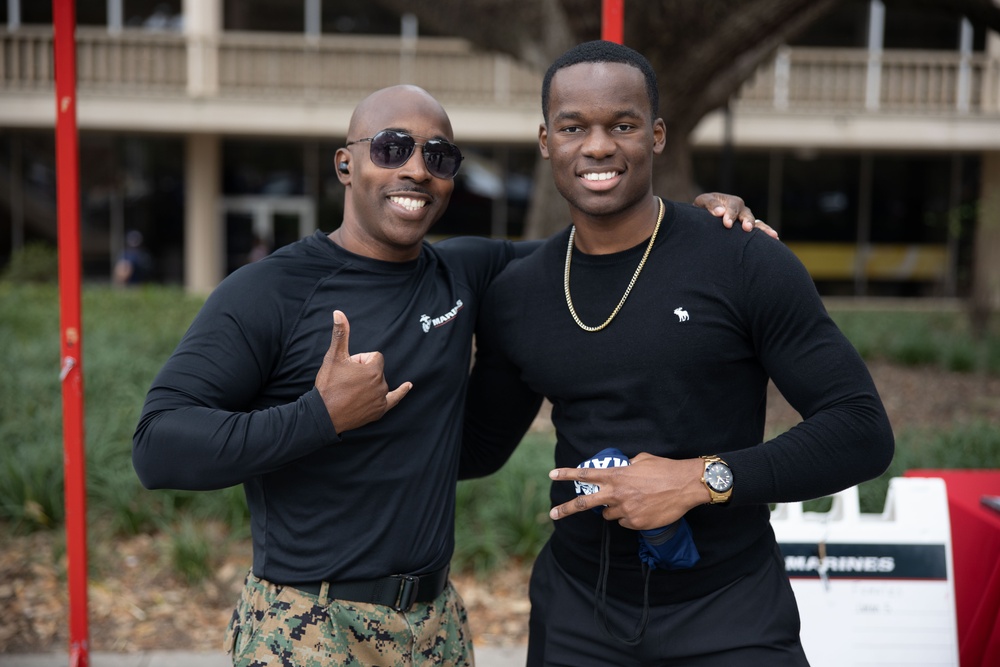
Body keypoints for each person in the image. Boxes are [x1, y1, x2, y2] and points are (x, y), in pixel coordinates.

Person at [131, 82, 761, 666]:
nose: (415, 168)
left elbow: (598, 250)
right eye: (391, 148)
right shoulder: (269, 292)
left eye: (439, 156)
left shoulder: (465, 271)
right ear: (346, 164)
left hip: (434, 625)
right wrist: (319, 416)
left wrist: (692, 222)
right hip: (307, 623)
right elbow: (158, 447)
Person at [461, 41, 895, 666]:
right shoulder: (520, 292)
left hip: (730, 607)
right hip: (580, 611)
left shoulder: (741, 258)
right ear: (545, 140)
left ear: (657, 135)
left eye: (624, 125)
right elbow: (475, 449)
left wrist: (699, 479)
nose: (599, 146)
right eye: (574, 126)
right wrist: (325, 420)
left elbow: (861, 430)